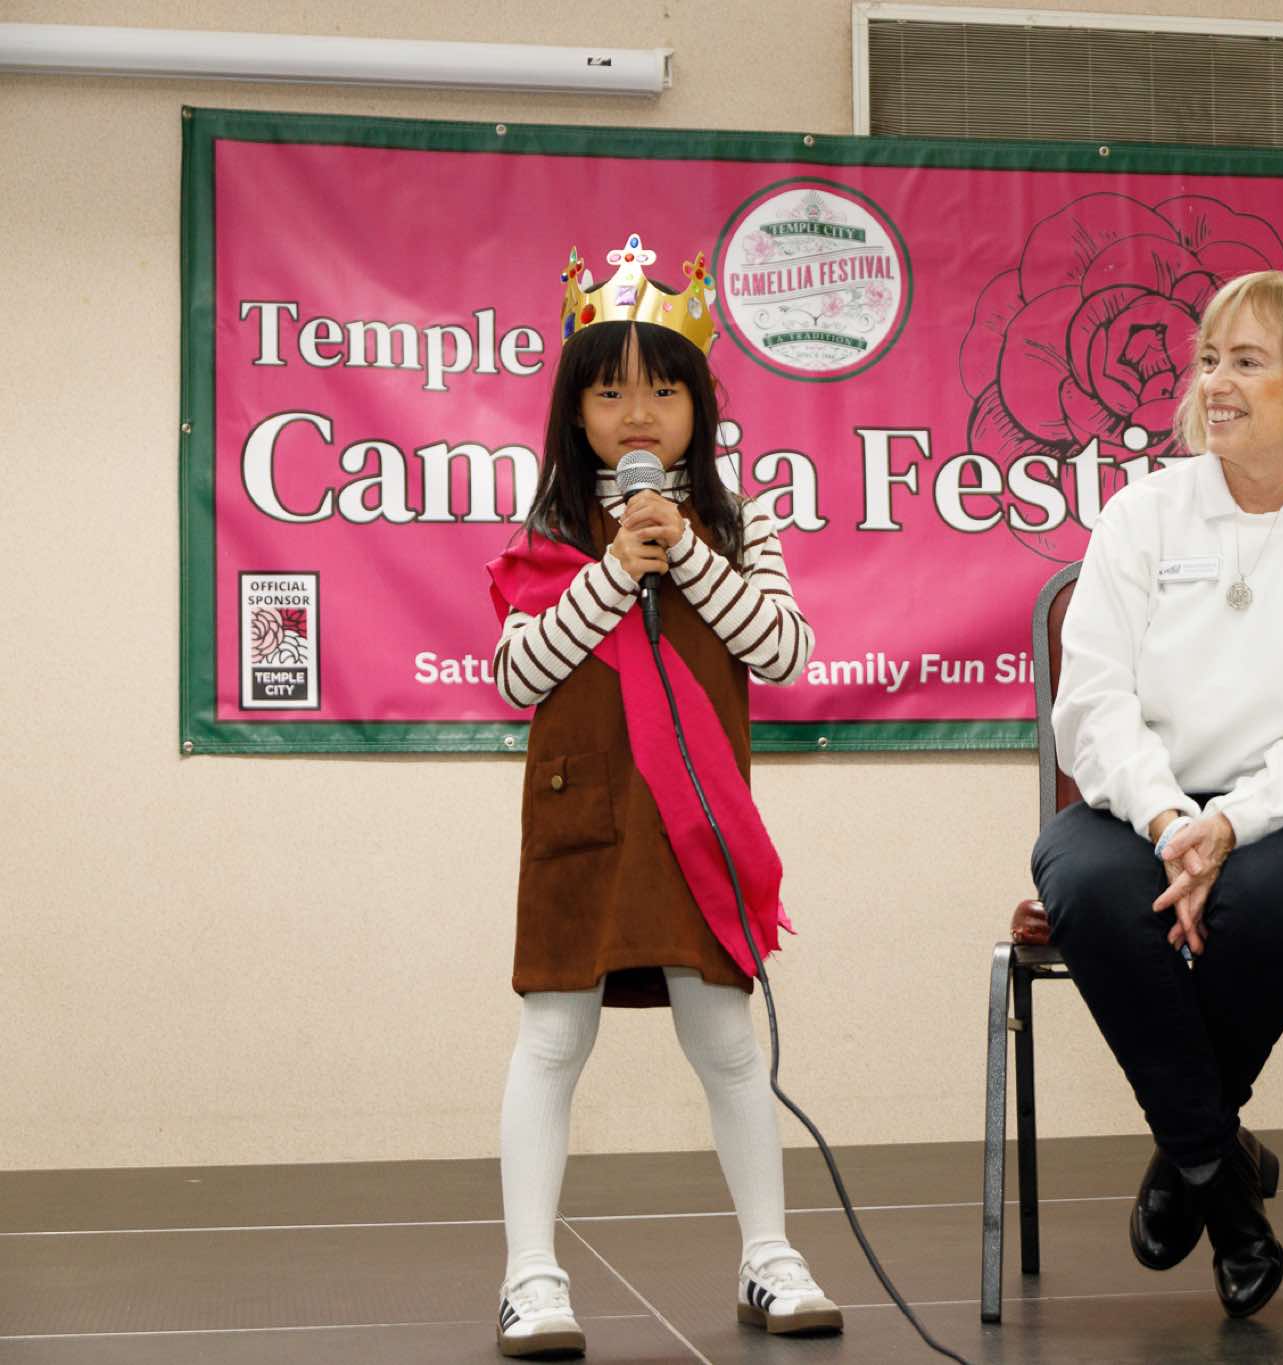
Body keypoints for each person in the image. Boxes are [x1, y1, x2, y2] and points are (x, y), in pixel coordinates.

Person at [1024, 269, 1283, 1318]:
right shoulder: (1142, 514)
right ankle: (1224, 1182)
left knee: (1277, 899)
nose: (1214, 383)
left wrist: (1232, 825)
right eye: (1208, 360)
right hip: (1138, 808)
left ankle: (1186, 1149)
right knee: (1088, 886)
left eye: (1246, 361)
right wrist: (1171, 821)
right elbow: (1091, 705)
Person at [484, 236, 840, 1357]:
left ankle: (768, 1257)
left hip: (694, 825)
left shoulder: (740, 527)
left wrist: (685, 553)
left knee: (725, 1040)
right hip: (582, 817)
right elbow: (517, 675)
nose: (637, 413)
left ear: (699, 405)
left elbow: (782, 651)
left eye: (661, 390)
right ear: (574, 411)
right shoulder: (549, 534)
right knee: (553, 1036)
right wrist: (611, 574)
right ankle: (530, 1277)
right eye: (609, 392)